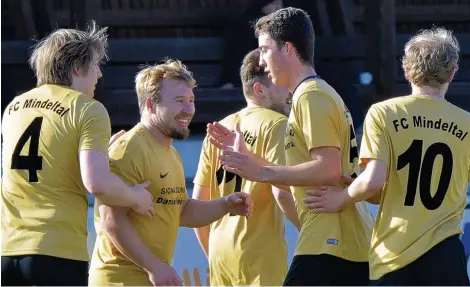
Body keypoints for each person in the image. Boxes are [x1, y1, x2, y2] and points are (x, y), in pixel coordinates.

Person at [209, 7, 374, 286]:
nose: (260, 61)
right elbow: (308, 179)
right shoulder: (310, 95)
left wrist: (260, 173)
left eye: (264, 49)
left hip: (332, 241)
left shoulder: (311, 96)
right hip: (336, 240)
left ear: (287, 49)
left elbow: (328, 169)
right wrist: (252, 161)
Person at [304, 27, 470, 286]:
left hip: (394, 252)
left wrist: (342, 198)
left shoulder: (384, 113)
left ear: (406, 70)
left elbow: (374, 181)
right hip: (446, 255)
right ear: (452, 74)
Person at [1, 22, 154, 286]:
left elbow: (42, 160)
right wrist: (135, 197)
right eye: (95, 64)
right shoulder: (88, 109)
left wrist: (97, 154)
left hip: (7, 249)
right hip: (57, 252)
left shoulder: (14, 106)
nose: (99, 74)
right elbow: (97, 183)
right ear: (76, 67)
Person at [88, 60, 253, 287]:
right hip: (120, 281)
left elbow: (181, 211)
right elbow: (111, 221)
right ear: (150, 105)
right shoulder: (129, 149)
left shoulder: (171, 153)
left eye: (191, 100)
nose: (189, 109)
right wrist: (155, 267)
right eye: (178, 101)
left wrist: (225, 204)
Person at [193, 48, 298, 286]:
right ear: (260, 89)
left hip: (220, 254)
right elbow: (282, 191)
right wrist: (314, 238)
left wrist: (214, 255)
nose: (290, 90)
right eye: (281, 82)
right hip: (260, 256)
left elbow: (199, 202)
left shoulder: (219, 127)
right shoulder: (278, 125)